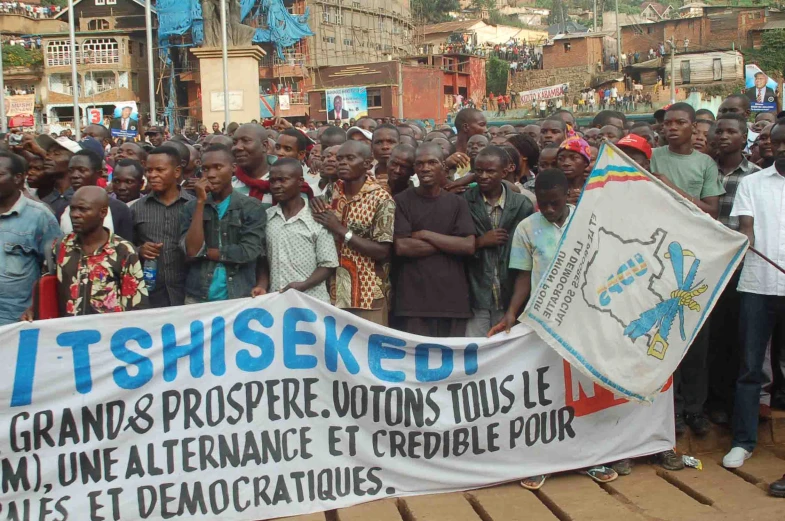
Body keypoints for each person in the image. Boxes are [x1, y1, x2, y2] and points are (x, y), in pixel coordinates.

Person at [489, 168, 620, 488]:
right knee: (545, 394)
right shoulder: (527, 228)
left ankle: (590, 458)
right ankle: (541, 460)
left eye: (554, 204)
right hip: (544, 321)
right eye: (543, 204)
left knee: (583, 391)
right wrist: (511, 314)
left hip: (587, 320)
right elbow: (522, 276)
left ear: (567, 196)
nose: (548, 210)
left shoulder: (587, 220)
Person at [651, 102, 725, 438]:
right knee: (664, 335)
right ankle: (672, 410)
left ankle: (695, 409)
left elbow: (711, 210)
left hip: (697, 262)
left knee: (696, 338)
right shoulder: (652, 157)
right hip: (659, 258)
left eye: (680, 122)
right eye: (668, 123)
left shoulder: (705, 163)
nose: (672, 128)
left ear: (694, 127)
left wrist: (672, 189)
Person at [721, 119, 785, 469]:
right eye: (779, 142)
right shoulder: (752, 184)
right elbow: (746, 229)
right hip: (758, 286)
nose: (783, 148)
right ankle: (743, 442)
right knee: (749, 369)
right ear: (771, 145)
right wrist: (745, 241)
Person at [25, 186, 148, 318]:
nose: (75, 215)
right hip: (67, 334)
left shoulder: (123, 251)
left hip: (109, 335)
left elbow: (136, 306)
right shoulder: (60, 247)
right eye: (73, 209)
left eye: (83, 209)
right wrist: (33, 311)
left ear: (103, 212)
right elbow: (46, 292)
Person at [393, 142, 476, 337]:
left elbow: (468, 246)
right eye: (419, 164)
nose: (425, 168)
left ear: (444, 168)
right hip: (413, 302)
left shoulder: (457, 203)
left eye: (432, 162)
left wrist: (425, 234)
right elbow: (402, 247)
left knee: (452, 363)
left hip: (452, 301)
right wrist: (450, 243)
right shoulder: (401, 201)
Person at [311, 140, 395, 325]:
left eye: (350, 158)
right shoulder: (331, 191)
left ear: (367, 163)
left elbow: (382, 251)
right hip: (331, 292)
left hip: (367, 294)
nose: (342, 163)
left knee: (370, 351)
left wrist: (341, 230)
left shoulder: (381, 199)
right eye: (340, 158)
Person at [181, 145, 267, 303]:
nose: (211, 174)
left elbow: (248, 251)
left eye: (218, 167)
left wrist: (206, 253)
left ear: (233, 168)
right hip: (198, 296)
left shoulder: (251, 207)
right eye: (206, 169)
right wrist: (200, 202)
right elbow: (192, 250)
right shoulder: (191, 207)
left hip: (238, 295)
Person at [464, 147, 534, 337]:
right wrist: (479, 242)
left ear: (505, 172)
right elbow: (457, 244)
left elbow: (527, 255)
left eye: (490, 171)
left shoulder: (521, 205)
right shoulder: (463, 202)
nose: (483, 176)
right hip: (476, 293)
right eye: (478, 171)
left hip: (509, 293)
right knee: (474, 350)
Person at [256, 158, 338, 301]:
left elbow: (328, 264)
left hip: (311, 301)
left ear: (300, 181)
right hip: (275, 300)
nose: (276, 185)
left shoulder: (317, 217)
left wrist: (304, 285)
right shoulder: (268, 217)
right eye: (273, 181)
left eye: (283, 180)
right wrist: (262, 285)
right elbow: (263, 259)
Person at [0, 151, 62, 325]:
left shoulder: (40, 216)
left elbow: (55, 270)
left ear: (18, 178)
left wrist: (36, 307)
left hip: (15, 322)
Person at [132, 146, 195, 308]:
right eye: (149, 170)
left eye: (160, 170)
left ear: (176, 172)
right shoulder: (136, 209)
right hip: (150, 298)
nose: (152, 175)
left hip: (189, 295)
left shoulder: (194, 206)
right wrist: (139, 250)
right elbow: (123, 247)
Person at [60, 149, 134, 242]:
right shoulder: (62, 208)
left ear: (98, 174)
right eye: (71, 171)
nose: (75, 175)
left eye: (82, 170)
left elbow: (126, 248)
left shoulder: (118, 209)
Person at [231, 123, 312, 206]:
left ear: (264, 146)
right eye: (234, 142)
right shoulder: (228, 185)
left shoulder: (292, 182)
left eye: (246, 141)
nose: (237, 147)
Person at [274, 128, 321, 195]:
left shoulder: (311, 183)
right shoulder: (266, 176)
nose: (280, 153)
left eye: (287, 149)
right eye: (277, 147)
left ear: (301, 154)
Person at [557, 136, 591, 206]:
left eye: (574, 158)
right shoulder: (551, 189)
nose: (566, 163)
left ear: (585, 162)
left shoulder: (595, 188)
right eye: (561, 158)